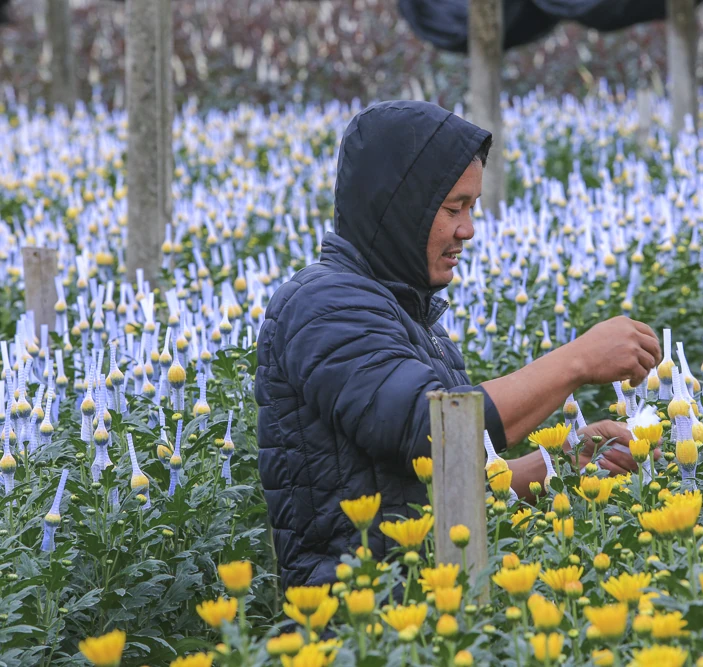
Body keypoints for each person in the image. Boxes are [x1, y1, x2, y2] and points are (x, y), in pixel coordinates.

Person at [255, 100, 662, 589]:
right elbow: (436, 432)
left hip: (425, 606)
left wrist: (569, 460)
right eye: (454, 208)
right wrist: (578, 361)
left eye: (472, 207)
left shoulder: (405, 311)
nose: (468, 230)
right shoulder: (322, 306)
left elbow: (461, 475)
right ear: (399, 207)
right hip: (357, 623)